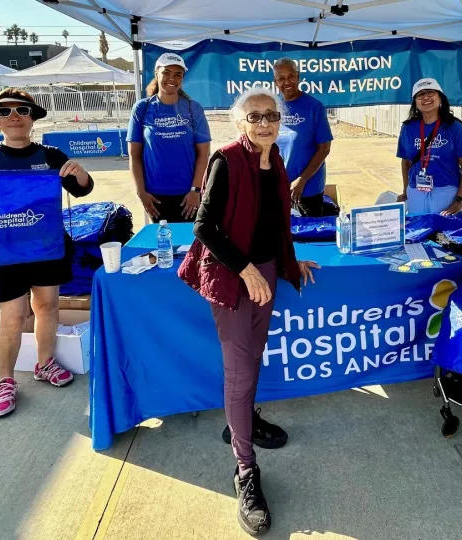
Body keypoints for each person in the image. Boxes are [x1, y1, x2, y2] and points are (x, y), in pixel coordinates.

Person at [178, 88, 320, 537]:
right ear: (239, 123)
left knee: (252, 360)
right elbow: (204, 226)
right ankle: (245, 470)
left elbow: (277, 221)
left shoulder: (275, 160)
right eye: (254, 117)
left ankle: (242, 422)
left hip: (265, 272)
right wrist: (245, 271)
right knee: (238, 371)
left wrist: (288, 260)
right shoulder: (226, 159)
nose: (264, 123)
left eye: (271, 116)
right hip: (232, 275)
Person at [0, 88, 93, 418]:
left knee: (48, 307)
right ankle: (6, 381)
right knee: (11, 318)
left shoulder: (51, 156)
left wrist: (79, 172)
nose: (14, 117)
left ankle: (44, 362)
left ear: (32, 117)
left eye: (22, 110)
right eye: (5, 112)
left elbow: (82, 188)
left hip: (47, 249)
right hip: (3, 254)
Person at [128, 52, 212, 223]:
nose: (172, 78)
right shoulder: (142, 108)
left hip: (188, 196)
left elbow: (204, 154)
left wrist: (196, 191)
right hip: (155, 197)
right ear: (156, 73)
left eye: (178, 74)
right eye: (166, 72)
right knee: (164, 247)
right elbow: (134, 155)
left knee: (189, 246)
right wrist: (141, 192)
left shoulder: (192, 108)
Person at [396, 78, 462, 215]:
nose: (425, 97)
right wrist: (405, 189)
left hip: (446, 192)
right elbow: (406, 162)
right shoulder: (407, 128)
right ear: (415, 101)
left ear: (440, 98)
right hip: (416, 193)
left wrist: (459, 201)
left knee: (443, 235)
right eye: (420, 94)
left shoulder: (454, 127)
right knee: (417, 234)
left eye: (431, 93)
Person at [272, 58, 334, 217]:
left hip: (308, 187)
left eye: (291, 76)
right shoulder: (273, 107)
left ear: (298, 76)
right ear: (275, 81)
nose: (287, 81)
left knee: (309, 236)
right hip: (279, 185)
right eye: (281, 78)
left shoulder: (314, 107)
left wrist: (302, 179)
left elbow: (324, 148)